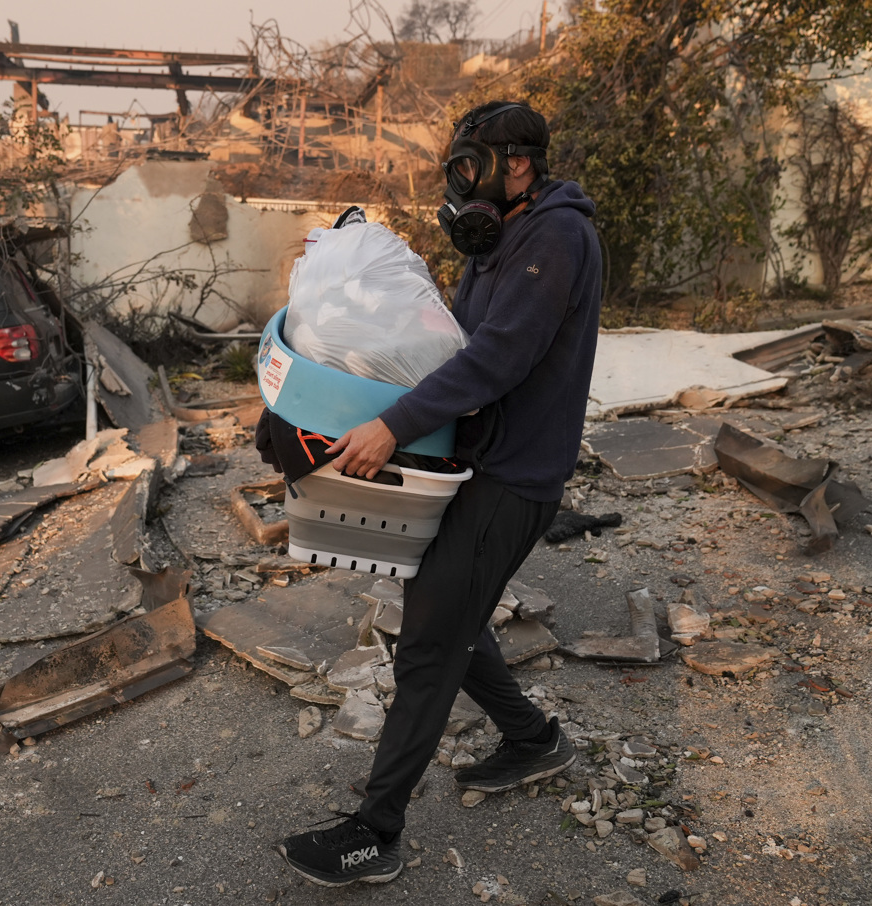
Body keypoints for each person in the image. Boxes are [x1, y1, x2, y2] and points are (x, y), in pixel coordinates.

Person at [276, 100, 603, 887]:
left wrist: (392, 427)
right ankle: (532, 740)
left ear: (517, 163)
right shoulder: (497, 244)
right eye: (455, 171)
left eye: (469, 168)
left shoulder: (555, 237)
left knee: (428, 638)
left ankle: (375, 832)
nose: (460, 186)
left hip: (515, 477)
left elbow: (494, 361)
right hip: (474, 462)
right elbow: (444, 347)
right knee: (446, 615)